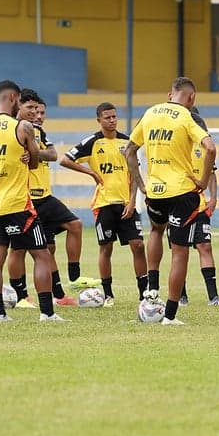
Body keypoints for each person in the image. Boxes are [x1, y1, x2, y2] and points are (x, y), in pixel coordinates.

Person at [125, 76, 216, 325]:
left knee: (155, 231)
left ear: (169, 94)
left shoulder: (150, 113)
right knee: (180, 252)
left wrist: (141, 183)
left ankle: (151, 289)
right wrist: (204, 180)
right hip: (181, 192)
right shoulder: (187, 117)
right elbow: (210, 148)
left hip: (154, 191)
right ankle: (171, 315)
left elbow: (129, 149)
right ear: (191, 98)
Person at [0, 80, 63, 322]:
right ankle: (47, 313)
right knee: (42, 255)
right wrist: (30, 153)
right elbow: (35, 162)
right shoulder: (23, 126)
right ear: (14, 97)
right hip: (17, 203)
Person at [61, 102, 147, 305]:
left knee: (138, 245)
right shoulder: (92, 142)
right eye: (107, 117)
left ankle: (144, 293)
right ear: (99, 119)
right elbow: (65, 160)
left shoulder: (127, 142)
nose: (112, 120)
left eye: (114, 116)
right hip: (104, 203)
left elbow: (134, 172)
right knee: (106, 248)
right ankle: (108, 294)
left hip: (126, 203)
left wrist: (133, 200)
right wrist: (89, 171)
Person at [7, 89, 83, 309]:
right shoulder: (12, 129)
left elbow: (52, 155)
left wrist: (34, 153)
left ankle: (69, 282)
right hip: (23, 197)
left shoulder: (38, 130)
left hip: (45, 197)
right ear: (18, 107)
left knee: (72, 227)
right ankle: (21, 296)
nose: (36, 114)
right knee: (19, 249)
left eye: (39, 110)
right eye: (31, 109)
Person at [181, 106, 219, 307]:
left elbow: (211, 173)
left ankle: (213, 297)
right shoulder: (175, 147)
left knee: (205, 246)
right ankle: (181, 296)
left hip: (200, 205)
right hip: (178, 203)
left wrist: (214, 198)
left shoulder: (204, 148)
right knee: (180, 249)